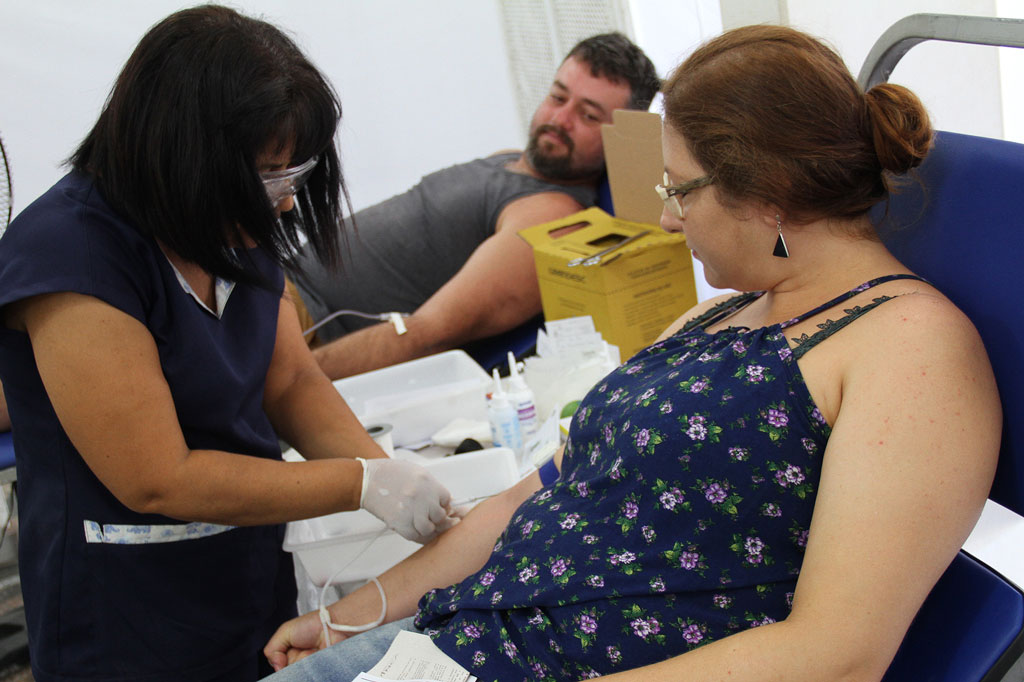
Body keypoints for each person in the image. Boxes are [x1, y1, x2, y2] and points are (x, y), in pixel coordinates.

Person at [261, 24, 1001, 681]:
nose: (668, 220)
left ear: (767, 193)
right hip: (451, 640)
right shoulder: (720, 313)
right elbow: (537, 493)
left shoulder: (912, 350)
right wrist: (351, 616)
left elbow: (837, 653)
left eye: (679, 191)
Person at [0, 6, 459, 681]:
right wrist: (361, 483)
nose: (284, 205)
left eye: (292, 176)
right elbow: (158, 478)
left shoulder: (224, 228)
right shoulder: (70, 257)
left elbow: (290, 382)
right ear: (185, 157)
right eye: (270, 176)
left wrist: (399, 483)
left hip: (246, 570)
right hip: (126, 609)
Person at [288, 32, 660, 379]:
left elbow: (427, 334)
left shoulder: (552, 218)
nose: (559, 119)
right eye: (559, 97)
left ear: (620, 138)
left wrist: (286, 378)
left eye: (588, 115)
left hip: (305, 331)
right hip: (282, 287)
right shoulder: (509, 158)